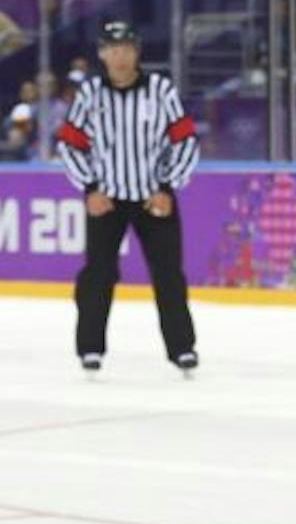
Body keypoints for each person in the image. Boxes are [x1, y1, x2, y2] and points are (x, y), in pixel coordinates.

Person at [55, 20, 199, 376]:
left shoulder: (161, 90)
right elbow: (69, 145)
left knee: (168, 275)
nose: (119, 57)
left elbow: (186, 140)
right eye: (112, 50)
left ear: (136, 52)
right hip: (108, 200)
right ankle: (90, 348)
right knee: (97, 275)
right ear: (102, 54)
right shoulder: (90, 95)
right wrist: (90, 188)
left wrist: (168, 187)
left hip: (154, 198)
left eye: (126, 49)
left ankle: (182, 348)